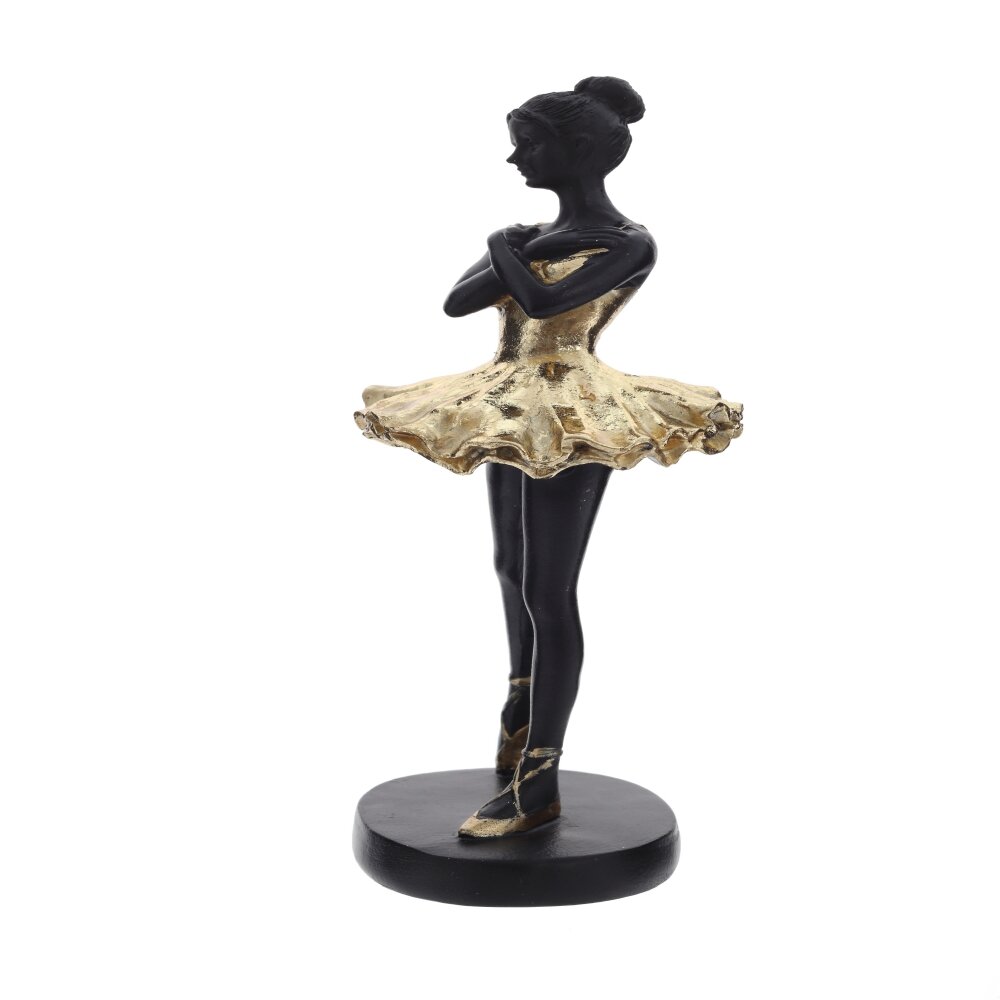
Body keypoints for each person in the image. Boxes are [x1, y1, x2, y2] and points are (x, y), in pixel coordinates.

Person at [354, 77, 742, 838]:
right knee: (509, 566)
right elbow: (457, 303)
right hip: (507, 396)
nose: (514, 158)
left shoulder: (627, 242)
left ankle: (539, 780)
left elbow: (539, 303)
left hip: (572, 408)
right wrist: (520, 246)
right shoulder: (536, 234)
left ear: (581, 150)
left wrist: (505, 245)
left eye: (528, 144)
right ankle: (519, 710)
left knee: (549, 586)